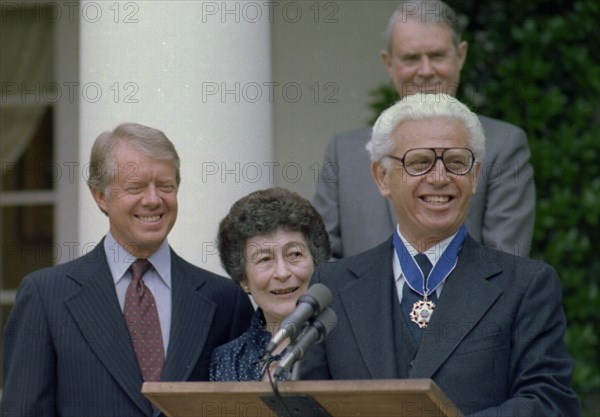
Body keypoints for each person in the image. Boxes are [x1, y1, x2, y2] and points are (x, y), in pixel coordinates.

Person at [301, 94, 581, 417]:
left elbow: (550, 403)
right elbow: (310, 405)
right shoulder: (332, 288)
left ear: (475, 176)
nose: (439, 178)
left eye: (456, 162)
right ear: (382, 177)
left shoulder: (527, 286)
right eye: (419, 162)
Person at [2, 123, 254, 417]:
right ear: (100, 196)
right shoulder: (46, 296)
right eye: (135, 187)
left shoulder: (225, 299)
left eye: (165, 186)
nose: (153, 199)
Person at [313, 0, 535, 258]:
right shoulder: (344, 152)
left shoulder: (504, 145)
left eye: (437, 55)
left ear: (461, 56)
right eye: (411, 58)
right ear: (388, 63)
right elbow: (323, 261)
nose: (426, 70)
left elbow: (505, 266)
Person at [209, 187, 331, 381]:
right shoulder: (229, 360)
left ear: (316, 262)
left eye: (295, 254)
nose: (282, 273)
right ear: (243, 280)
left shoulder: (345, 346)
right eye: (264, 259)